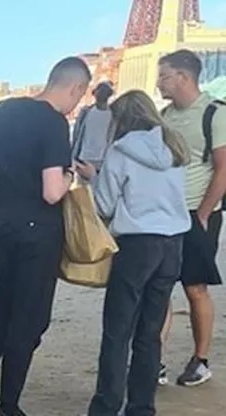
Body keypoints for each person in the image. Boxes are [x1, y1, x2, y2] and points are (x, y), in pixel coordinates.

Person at [0, 56, 90, 416]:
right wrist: (71, 175)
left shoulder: (4, 110)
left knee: (3, 314)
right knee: (29, 321)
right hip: (39, 231)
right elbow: (52, 191)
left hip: (6, 225)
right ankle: (7, 405)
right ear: (76, 88)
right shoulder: (54, 123)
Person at [76, 90, 190, 416]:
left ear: (122, 119)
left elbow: (105, 205)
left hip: (137, 243)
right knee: (150, 333)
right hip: (173, 243)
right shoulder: (174, 146)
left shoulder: (120, 151)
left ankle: (106, 405)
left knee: (117, 331)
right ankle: (142, 406)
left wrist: (92, 179)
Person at [156, 49, 226, 387]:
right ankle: (155, 358)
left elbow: (223, 169)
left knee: (195, 287)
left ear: (183, 77)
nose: (159, 82)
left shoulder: (215, 114)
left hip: (198, 214)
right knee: (159, 285)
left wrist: (201, 214)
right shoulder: (164, 116)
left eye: (164, 75)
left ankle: (200, 360)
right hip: (164, 215)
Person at [72, 81, 115, 172]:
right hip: (83, 157)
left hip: (102, 160)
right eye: (100, 91)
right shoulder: (85, 112)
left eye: (104, 91)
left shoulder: (114, 116)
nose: (101, 94)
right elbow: (76, 135)